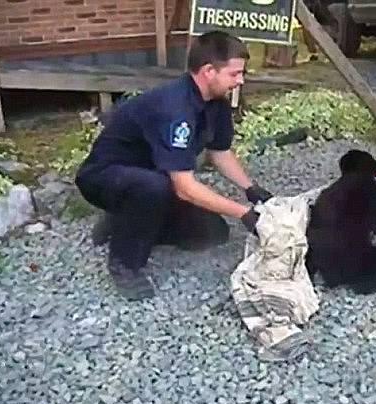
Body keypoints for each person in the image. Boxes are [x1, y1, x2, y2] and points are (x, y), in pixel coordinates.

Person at [75, 31, 274, 301]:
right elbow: (184, 188)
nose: (241, 80)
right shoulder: (175, 108)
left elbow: (220, 152)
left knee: (212, 232)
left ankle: (125, 220)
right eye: (235, 73)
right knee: (152, 187)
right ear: (208, 71)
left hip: (156, 177)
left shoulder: (216, 104)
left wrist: (250, 188)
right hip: (105, 177)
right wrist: (243, 213)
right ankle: (125, 263)